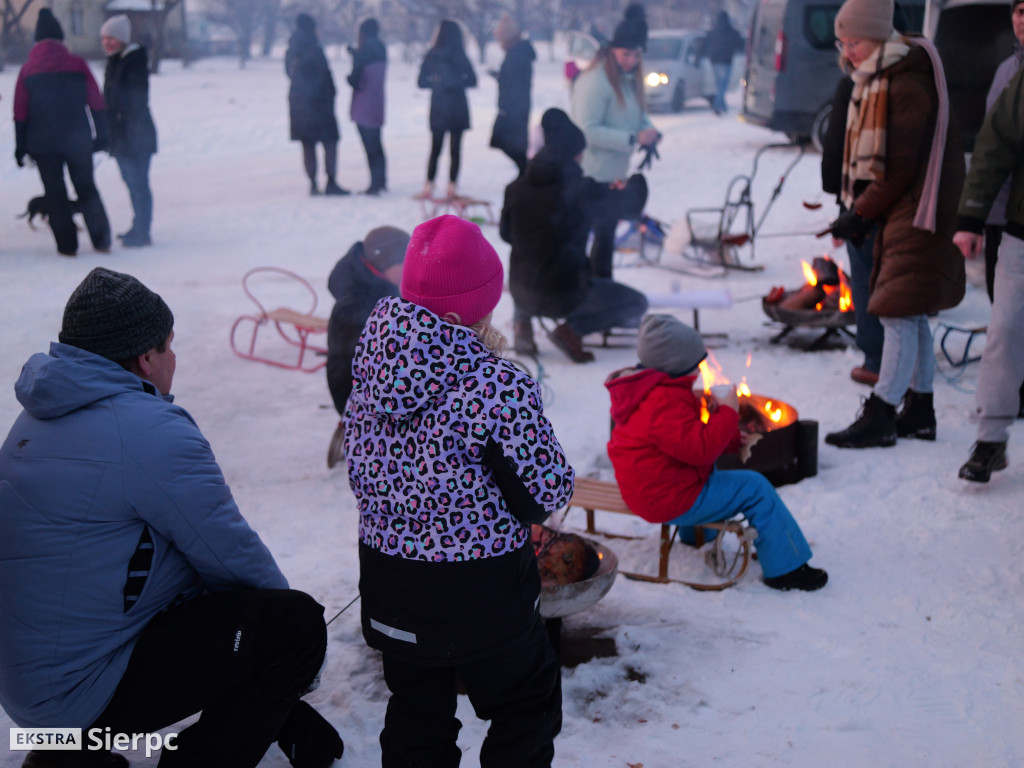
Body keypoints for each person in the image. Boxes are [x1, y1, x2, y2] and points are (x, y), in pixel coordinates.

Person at [0, 268, 344, 768]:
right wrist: (292, 664)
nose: (174, 358)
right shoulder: (146, 430)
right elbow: (233, 558)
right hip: (80, 694)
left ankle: (67, 756)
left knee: (196, 588)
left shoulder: (36, 418)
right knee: (294, 625)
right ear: (145, 357)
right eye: (169, 345)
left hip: (31, 690)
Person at [343, 215, 572, 767]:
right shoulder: (494, 383)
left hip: (391, 585)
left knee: (416, 717)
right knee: (525, 708)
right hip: (480, 595)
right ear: (481, 304)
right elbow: (546, 488)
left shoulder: (372, 363)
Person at [823, 0, 965, 449]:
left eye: (856, 42)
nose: (849, 52)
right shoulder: (880, 77)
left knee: (897, 313)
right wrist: (859, 213)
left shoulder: (904, 84)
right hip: (908, 207)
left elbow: (896, 171)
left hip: (919, 209)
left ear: (880, 37)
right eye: (842, 43)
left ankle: (883, 411)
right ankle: (920, 411)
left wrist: (858, 213)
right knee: (913, 314)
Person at [606, 314, 829, 591]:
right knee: (755, 488)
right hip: (667, 499)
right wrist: (727, 411)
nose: (699, 372)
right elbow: (701, 450)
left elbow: (685, 442)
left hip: (651, 490)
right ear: (676, 366)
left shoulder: (647, 393)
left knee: (708, 473)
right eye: (695, 365)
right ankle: (787, 570)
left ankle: (697, 536)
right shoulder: (663, 403)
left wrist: (733, 438)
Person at [500, 108, 649, 363]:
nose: (582, 158)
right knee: (637, 303)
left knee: (529, 267)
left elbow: (506, 235)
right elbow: (631, 204)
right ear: (572, 155)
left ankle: (522, 326)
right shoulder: (581, 191)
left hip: (521, 292)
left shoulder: (516, 188)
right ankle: (571, 330)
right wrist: (634, 181)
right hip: (564, 296)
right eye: (580, 152)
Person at [952, 66, 1024, 482]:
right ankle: (991, 439)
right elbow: (994, 145)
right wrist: (971, 216)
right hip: (1021, 232)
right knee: (1005, 330)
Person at [570, 3, 660, 279]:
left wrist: (649, 131)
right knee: (581, 244)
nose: (630, 60)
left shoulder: (627, 80)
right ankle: (581, 294)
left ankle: (602, 294)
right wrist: (632, 138)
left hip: (611, 179)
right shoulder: (596, 81)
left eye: (636, 54)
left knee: (605, 243)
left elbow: (637, 114)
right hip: (590, 177)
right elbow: (585, 131)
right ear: (611, 50)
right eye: (625, 54)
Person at [13, 8, 112, 257]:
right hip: (77, 141)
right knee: (87, 188)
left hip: (42, 145)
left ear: (37, 41)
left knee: (55, 194)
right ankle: (101, 240)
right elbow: (96, 102)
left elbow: (20, 111)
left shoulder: (27, 70)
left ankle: (67, 246)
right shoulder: (78, 65)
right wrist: (101, 135)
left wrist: (20, 145)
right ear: (60, 39)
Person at [977, 0, 1024, 419]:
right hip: (1003, 215)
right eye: (1019, 10)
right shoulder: (1006, 72)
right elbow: (992, 150)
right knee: (1004, 313)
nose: (1022, 19)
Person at [325, 225, 409, 463]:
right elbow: (354, 372)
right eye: (404, 263)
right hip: (359, 399)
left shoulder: (379, 287)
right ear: (383, 264)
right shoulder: (356, 306)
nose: (410, 270)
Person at [100, 14, 158, 248]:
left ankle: (143, 232)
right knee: (132, 183)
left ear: (122, 38)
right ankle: (138, 227)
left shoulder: (133, 61)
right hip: (123, 136)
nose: (107, 42)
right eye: (104, 38)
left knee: (138, 184)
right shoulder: (116, 61)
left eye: (111, 38)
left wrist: (118, 119)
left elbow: (134, 100)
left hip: (137, 135)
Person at [286, 13, 347, 196]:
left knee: (308, 144)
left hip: (298, 103)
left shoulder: (292, 49)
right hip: (319, 105)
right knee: (329, 142)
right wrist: (331, 94)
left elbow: (290, 74)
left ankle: (312, 183)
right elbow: (324, 77)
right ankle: (331, 181)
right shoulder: (314, 48)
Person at [416, 20, 477, 200]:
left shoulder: (432, 55)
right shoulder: (461, 55)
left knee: (435, 148)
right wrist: (456, 82)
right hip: (458, 107)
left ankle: (429, 185)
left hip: (439, 108)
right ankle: (452, 187)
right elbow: (473, 80)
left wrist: (437, 82)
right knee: (455, 150)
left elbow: (421, 82)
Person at [489, 13, 535, 175]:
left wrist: (507, 108)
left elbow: (515, 84)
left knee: (512, 145)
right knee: (513, 145)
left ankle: (527, 174)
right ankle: (526, 174)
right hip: (516, 107)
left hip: (514, 109)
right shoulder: (517, 53)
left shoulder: (517, 55)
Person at [347, 18, 388, 196]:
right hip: (378, 101)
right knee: (377, 143)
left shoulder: (362, 52)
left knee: (369, 145)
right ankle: (381, 180)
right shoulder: (381, 48)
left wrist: (355, 57)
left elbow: (354, 80)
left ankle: (374, 184)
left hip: (364, 103)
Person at [702, 11, 744, 116]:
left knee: (719, 84)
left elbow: (705, 45)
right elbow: (739, 44)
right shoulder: (731, 32)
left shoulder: (713, 32)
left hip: (715, 61)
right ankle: (718, 105)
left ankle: (722, 106)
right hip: (726, 61)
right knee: (723, 85)